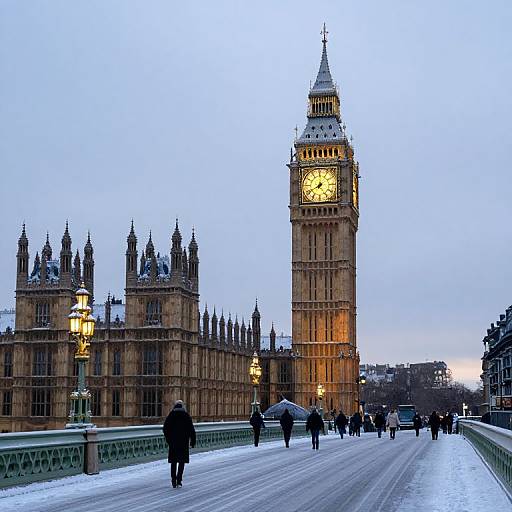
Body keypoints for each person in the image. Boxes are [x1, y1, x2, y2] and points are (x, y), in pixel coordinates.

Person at [162, 400, 196, 489]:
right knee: (181, 461)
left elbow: (165, 428)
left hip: (173, 442)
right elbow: (191, 430)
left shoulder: (171, 415)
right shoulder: (186, 415)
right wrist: (193, 441)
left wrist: (168, 439)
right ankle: (179, 480)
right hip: (183, 442)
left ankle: (173, 480)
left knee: (173, 462)